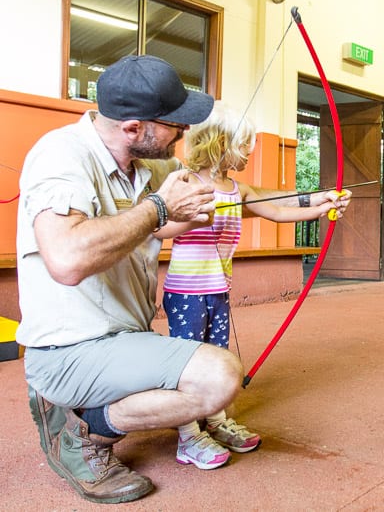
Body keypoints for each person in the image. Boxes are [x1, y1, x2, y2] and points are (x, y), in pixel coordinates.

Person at [17, 55, 244, 504]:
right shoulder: (60, 155)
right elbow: (65, 258)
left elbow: (163, 219)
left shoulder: (149, 167)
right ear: (135, 128)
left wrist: (191, 208)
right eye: (174, 124)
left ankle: (88, 410)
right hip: (68, 350)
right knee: (218, 377)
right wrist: (161, 208)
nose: (183, 133)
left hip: (124, 338)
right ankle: (84, 433)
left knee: (209, 375)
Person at [156, 101, 351, 470]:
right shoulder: (186, 184)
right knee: (187, 362)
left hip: (217, 291)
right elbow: (159, 228)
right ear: (220, 142)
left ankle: (214, 419)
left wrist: (323, 208)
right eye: (245, 143)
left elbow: (278, 211)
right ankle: (187, 434)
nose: (250, 150)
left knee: (217, 358)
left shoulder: (237, 190)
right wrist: (194, 216)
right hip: (185, 291)